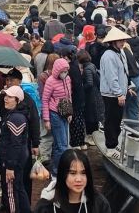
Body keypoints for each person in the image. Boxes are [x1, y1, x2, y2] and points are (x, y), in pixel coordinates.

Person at [32, 150, 111, 213]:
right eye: (73, 173)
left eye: (83, 173)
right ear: (63, 174)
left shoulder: (99, 203)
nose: (79, 179)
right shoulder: (46, 206)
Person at [98, 28, 132, 158]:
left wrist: (128, 86)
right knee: (111, 121)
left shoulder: (121, 52)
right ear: (113, 41)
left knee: (117, 120)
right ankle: (110, 147)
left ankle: (114, 142)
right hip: (110, 94)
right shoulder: (108, 56)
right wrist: (118, 93)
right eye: (120, 40)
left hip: (120, 92)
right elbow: (112, 77)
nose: (123, 42)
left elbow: (124, 72)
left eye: (123, 40)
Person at [0, 86, 30, 213]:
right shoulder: (13, 115)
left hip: (12, 162)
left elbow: (16, 145)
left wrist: (10, 166)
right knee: (19, 188)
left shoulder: (16, 118)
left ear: (18, 100)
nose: (6, 99)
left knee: (11, 193)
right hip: (15, 160)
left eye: (10, 97)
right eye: (5, 96)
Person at [41, 57, 72, 175]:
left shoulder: (67, 79)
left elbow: (69, 96)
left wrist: (70, 113)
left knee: (59, 145)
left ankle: (55, 169)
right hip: (54, 114)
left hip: (65, 113)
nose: (65, 74)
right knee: (62, 145)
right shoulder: (50, 81)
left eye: (66, 71)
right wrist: (47, 119)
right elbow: (45, 100)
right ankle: (58, 172)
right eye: (63, 71)